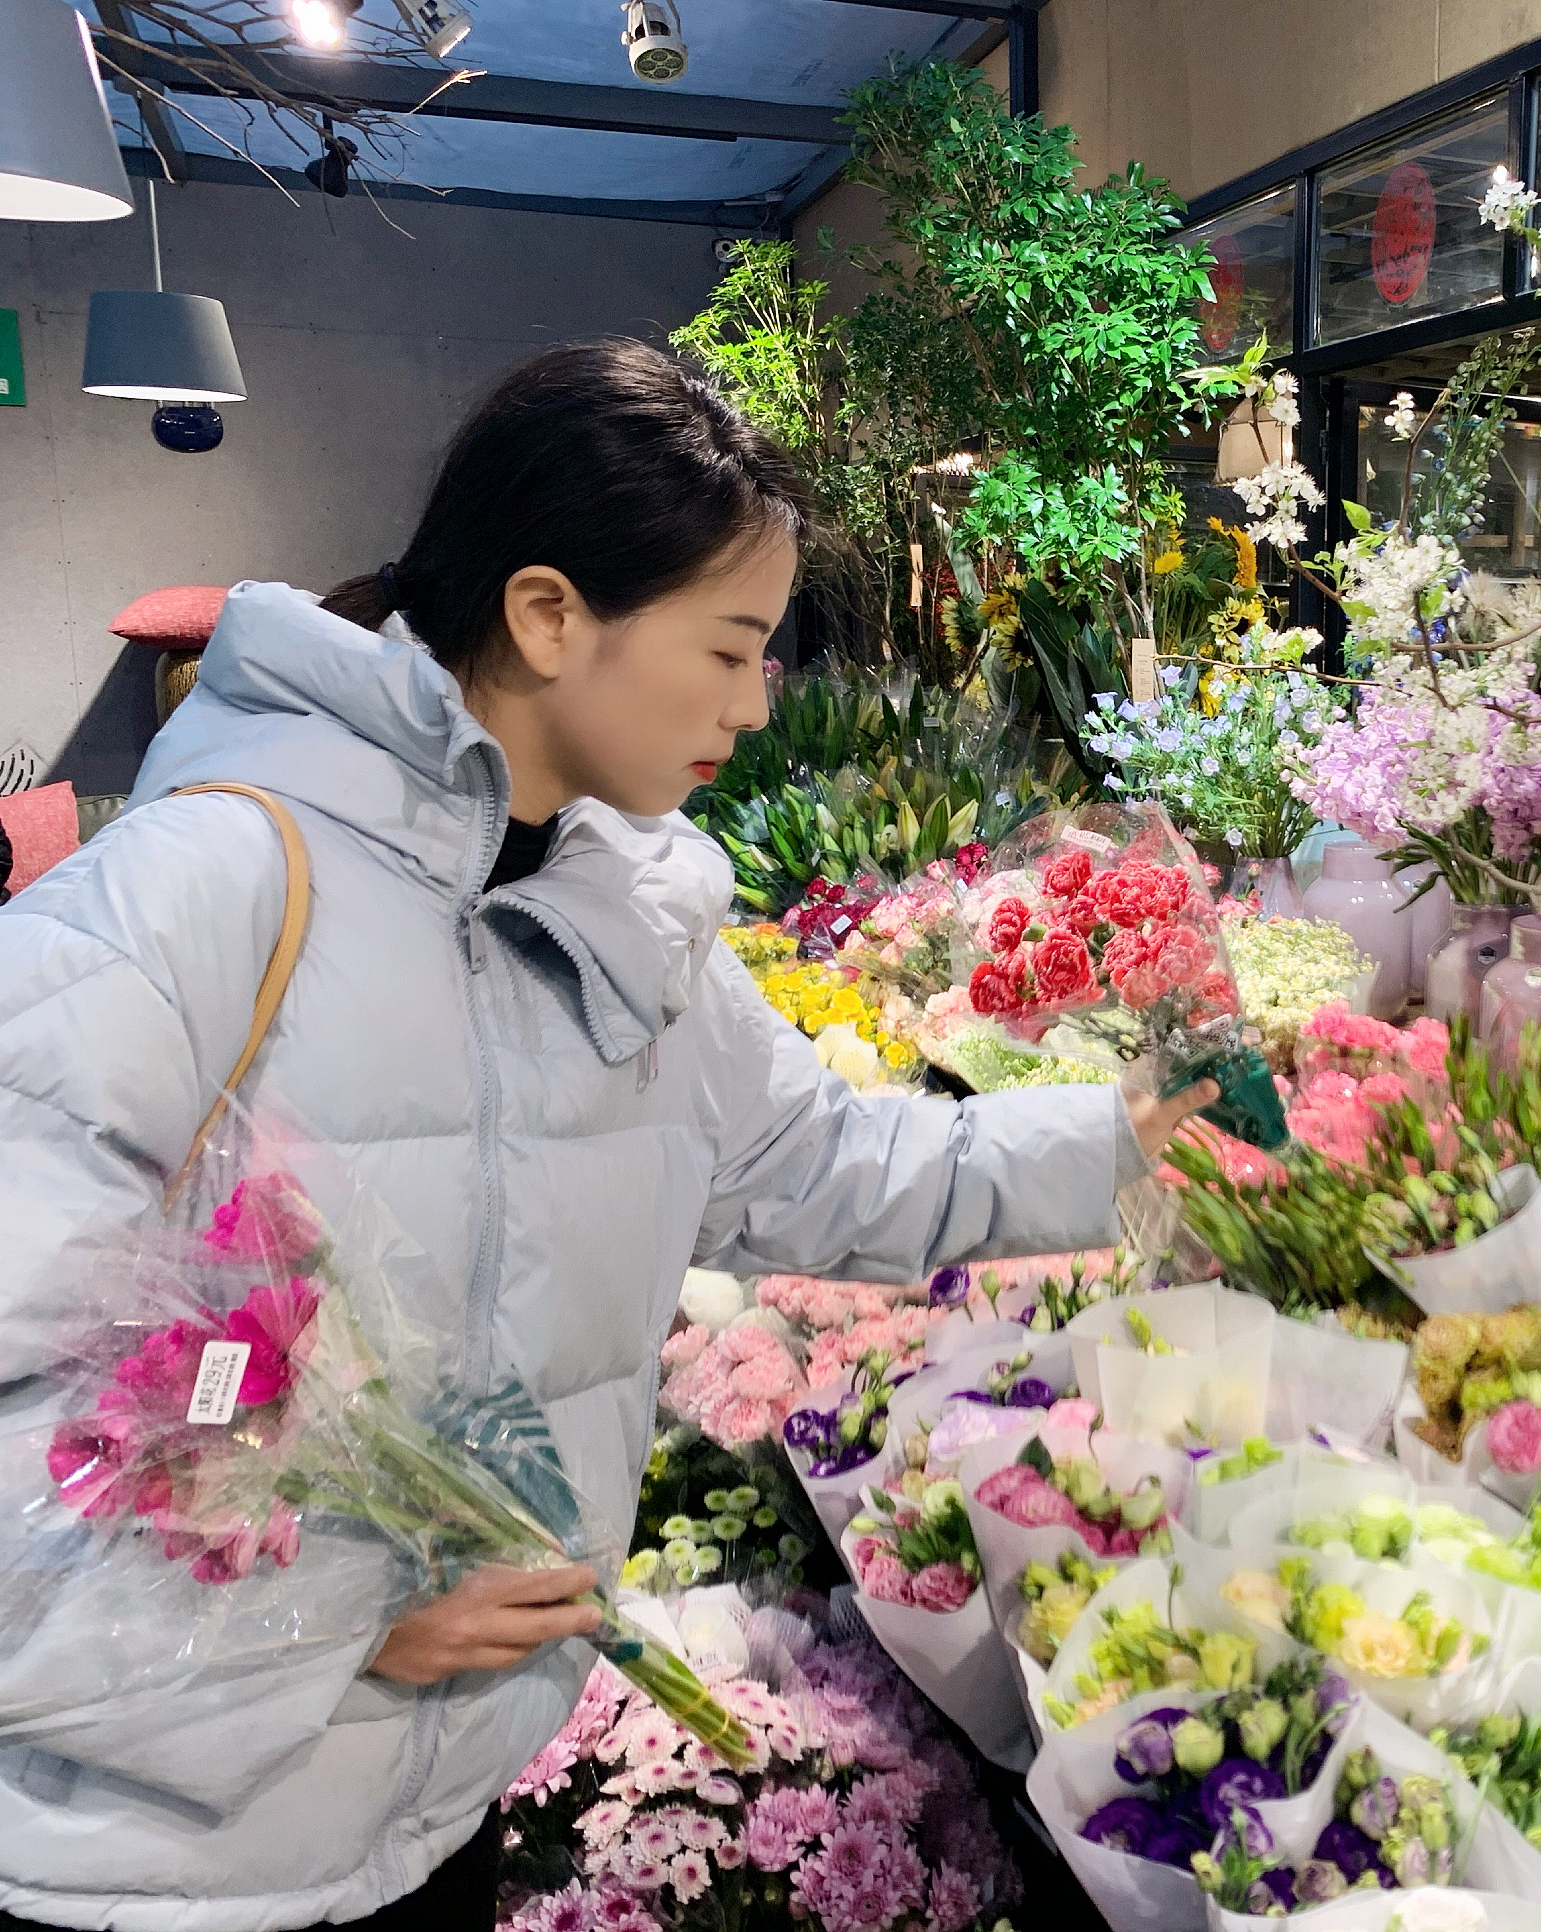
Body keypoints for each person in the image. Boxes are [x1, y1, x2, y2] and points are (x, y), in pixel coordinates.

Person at [0, 337, 1212, 1930]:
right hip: (152, 1864)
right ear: (548, 613)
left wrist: (1117, 1141)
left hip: (432, 1812)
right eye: (729, 648)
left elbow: (809, 1165)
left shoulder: (624, 915)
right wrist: (327, 1625)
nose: (758, 704)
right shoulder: (203, 892)